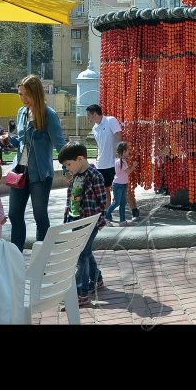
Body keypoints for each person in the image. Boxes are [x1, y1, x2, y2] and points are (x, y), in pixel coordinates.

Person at [8, 75, 68, 252]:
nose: (24, 98)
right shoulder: (21, 113)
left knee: (40, 216)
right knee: (14, 215)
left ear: (36, 93)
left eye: (27, 94)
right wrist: (10, 140)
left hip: (40, 174)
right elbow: (21, 140)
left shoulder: (49, 115)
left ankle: (41, 260)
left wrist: (68, 168)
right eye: (20, 94)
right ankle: (15, 260)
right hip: (19, 171)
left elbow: (59, 144)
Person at [58, 141, 107, 306]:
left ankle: (81, 292)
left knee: (81, 255)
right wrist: (67, 220)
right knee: (85, 253)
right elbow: (70, 201)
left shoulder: (95, 175)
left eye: (68, 164)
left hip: (89, 223)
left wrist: (101, 221)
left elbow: (102, 201)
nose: (67, 168)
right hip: (75, 221)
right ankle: (97, 279)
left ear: (80, 159)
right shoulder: (76, 176)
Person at [85, 104, 139, 221]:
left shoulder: (110, 120)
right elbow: (100, 145)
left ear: (95, 114)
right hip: (101, 165)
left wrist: (120, 156)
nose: (87, 117)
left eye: (88, 115)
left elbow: (118, 136)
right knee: (105, 190)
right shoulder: (94, 128)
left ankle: (134, 209)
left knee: (124, 188)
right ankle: (107, 214)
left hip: (114, 163)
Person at [105, 141, 137, 226]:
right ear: (122, 152)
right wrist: (134, 165)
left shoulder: (119, 160)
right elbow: (129, 171)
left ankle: (122, 221)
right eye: (126, 151)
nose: (128, 153)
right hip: (118, 185)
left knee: (123, 203)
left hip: (123, 184)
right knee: (116, 202)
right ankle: (105, 218)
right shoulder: (122, 162)